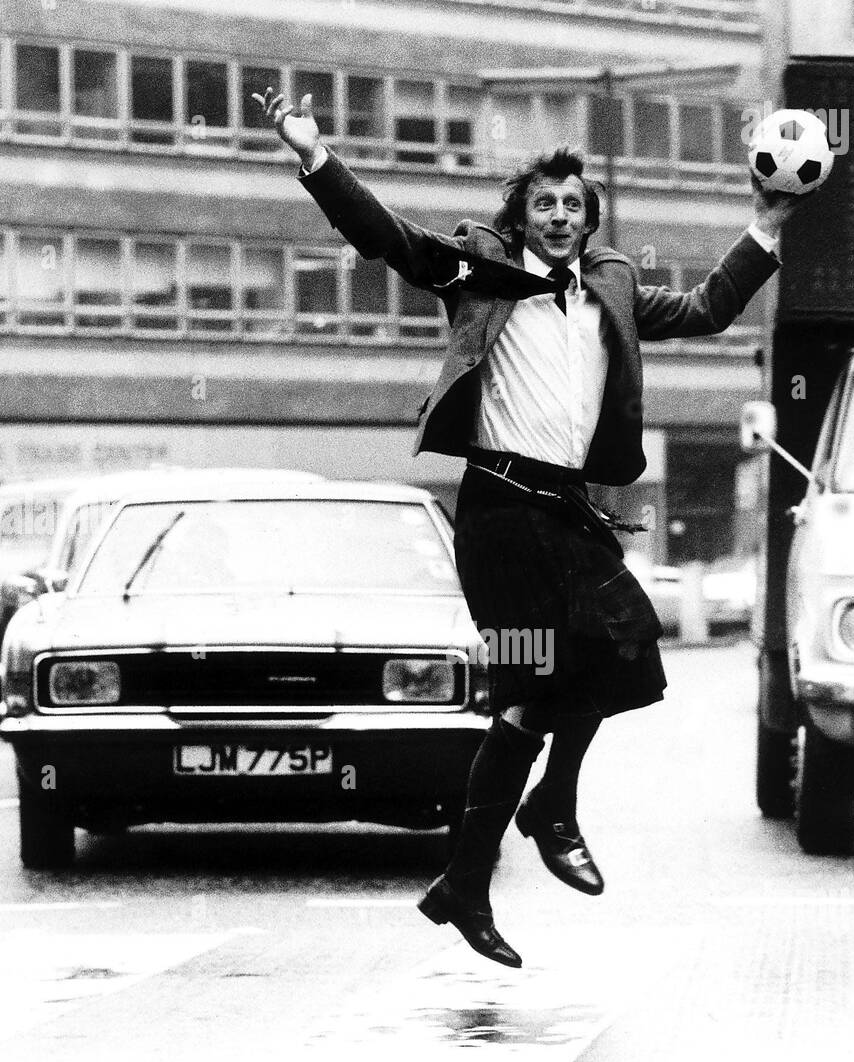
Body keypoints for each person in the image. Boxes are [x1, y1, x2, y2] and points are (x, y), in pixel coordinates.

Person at [253, 86, 804, 969]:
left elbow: (706, 309)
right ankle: (490, 864)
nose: (558, 215)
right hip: (501, 519)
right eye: (544, 202)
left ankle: (521, 831)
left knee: (625, 648)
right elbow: (391, 239)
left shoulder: (614, 287)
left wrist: (766, 226)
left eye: (573, 206)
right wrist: (316, 156)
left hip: (571, 514)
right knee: (523, 685)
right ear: (521, 215)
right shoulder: (478, 271)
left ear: (589, 223)